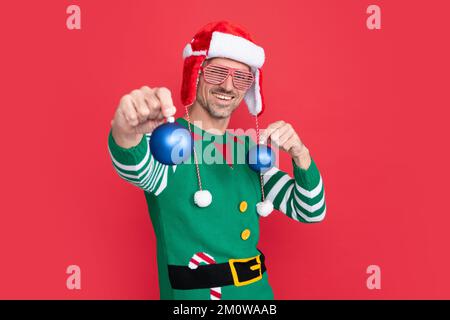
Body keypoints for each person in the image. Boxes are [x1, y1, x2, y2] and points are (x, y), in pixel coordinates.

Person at [107, 21, 326, 300]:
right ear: (196, 75)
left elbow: (310, 211)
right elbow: (136, 165)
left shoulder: (251, 151)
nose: (228, 85)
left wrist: (301, 155)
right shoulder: (170, 140)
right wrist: (126, 130)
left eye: (241, 78)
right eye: (217, 72)